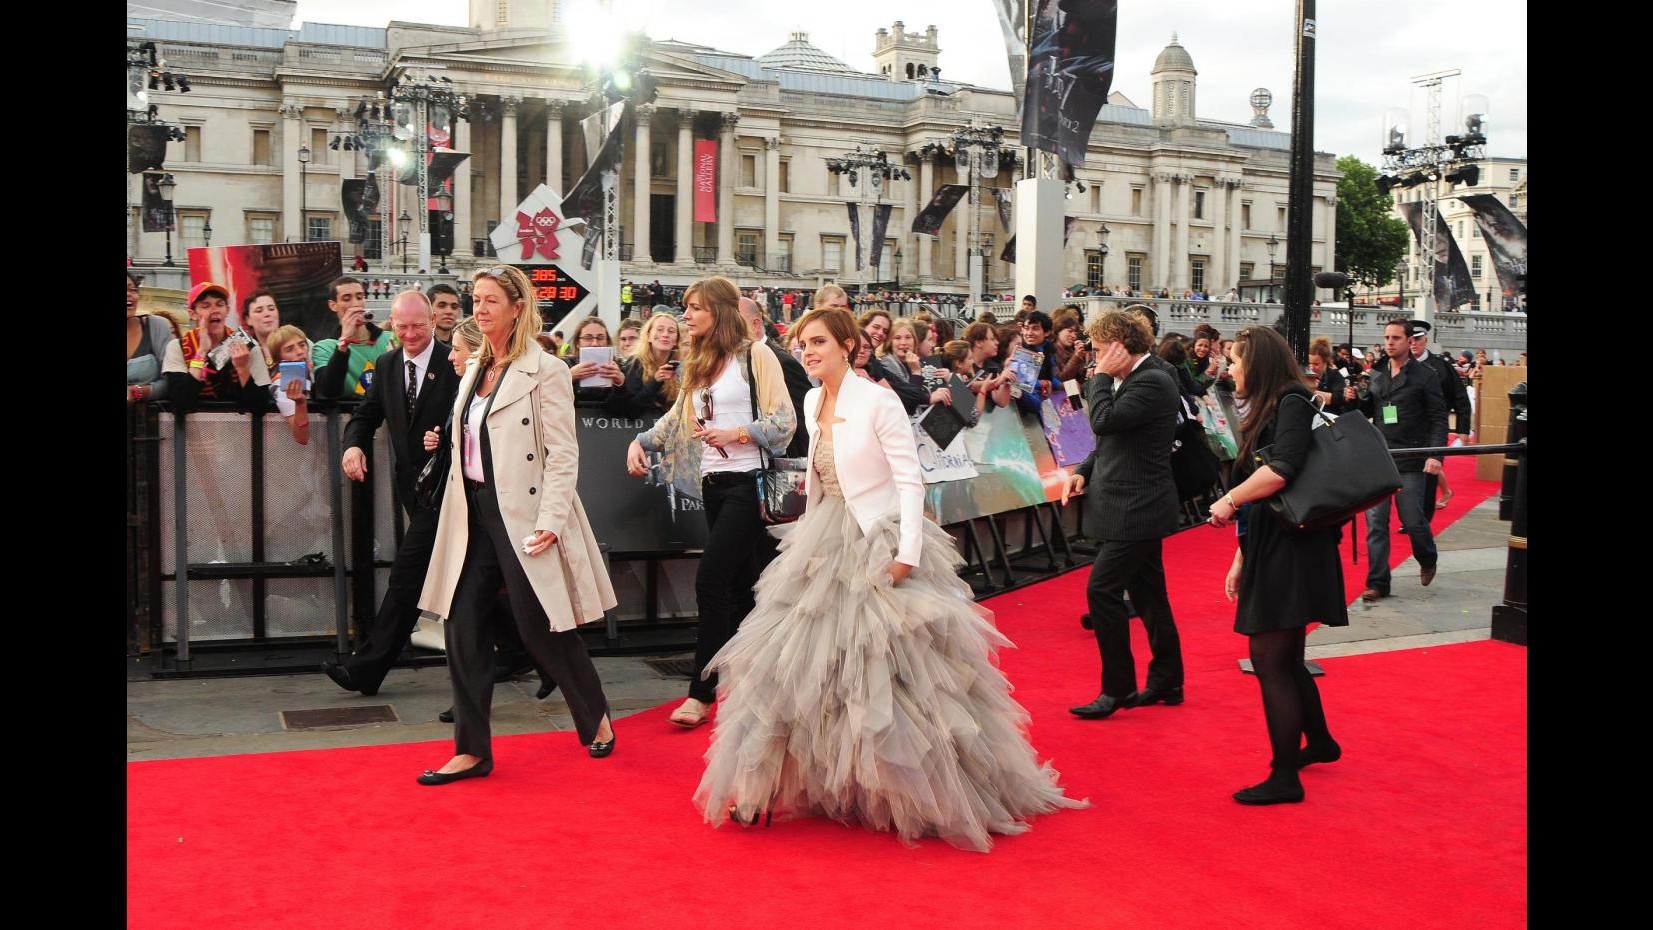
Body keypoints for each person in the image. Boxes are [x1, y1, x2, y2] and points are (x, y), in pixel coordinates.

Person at [693, 306, 1085, 850]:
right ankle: (763, 786)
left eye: (819, 343)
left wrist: (906, 552)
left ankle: (919, 791)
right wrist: (806, 541)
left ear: (849, 346)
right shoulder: (810, 400)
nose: (808, 352)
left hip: (879, 536)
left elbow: (909, 480)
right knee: (790, 664)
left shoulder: (877, 400)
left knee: (894, 673)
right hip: (821, 542)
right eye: (803, 343)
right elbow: (820, 481)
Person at [415, 265, 619, 783]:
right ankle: (471, 749)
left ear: (516, 308)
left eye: (489, 301)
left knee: (539, 625)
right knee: (462, 625)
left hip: (523, 514)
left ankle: (593, 713)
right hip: (472, 513)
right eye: (475, 300)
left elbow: (562, 454)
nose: (478, 310)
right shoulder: (473, 367)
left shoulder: (545, 369)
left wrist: (551, 518)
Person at [625, 276, 796, 729]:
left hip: (749, 483)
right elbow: (677, 418)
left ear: (719, 311)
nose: (687, 316)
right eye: (686, 308)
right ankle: (769, 676)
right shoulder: (698, 363)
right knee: (745, 588)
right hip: (712, 485)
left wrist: (737, 433)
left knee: (711, 581)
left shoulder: (755, 355)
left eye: (695, 307)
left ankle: (702, 693)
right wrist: (642, 441)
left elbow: (784, 421)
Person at [1207, 326, 1346, 805]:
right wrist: (1241, 556)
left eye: (1237, 362)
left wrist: (1227, 500)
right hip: (1284, 544)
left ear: (1259, 364)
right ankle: (1321, 743)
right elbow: (1272, 494)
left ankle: (1285, 776)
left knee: (1270, 659)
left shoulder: (1289, 402)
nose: (1230, 371)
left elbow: (1281, 470)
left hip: (1293, 550)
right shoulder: (1284, 403)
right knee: (1285, 658)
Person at [323, 290, 462, 698]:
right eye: (402, 327)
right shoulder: (386, 364)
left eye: (418, 326)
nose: (411, 334)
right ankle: (523, 650)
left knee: (407, 578)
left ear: (433, 322)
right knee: (464, 577)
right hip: (414, 490)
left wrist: (449, 439)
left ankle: (367, 670)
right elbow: (367, 413)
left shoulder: (454, 362)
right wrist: (353, 444)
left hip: (451, 489)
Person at [1060, 309, 1185, 719]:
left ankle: (1117, 688)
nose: (1095, 360)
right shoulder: (1135, 379)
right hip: (1133, 502)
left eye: (1099, 351)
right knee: (1150, 594)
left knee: (1102, 591)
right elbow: (1112, 442)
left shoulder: (1150, 380)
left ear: (1119, 346)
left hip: (1139, 506)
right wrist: (1083, 472)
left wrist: (1097, 379)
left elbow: (1103, 422)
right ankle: (1168, 678)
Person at [1344, 319, 1447, 603]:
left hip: (1412, 457)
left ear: (1408, 341)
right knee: (1376, 523)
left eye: (1396, 338)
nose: (1390, 343)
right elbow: (1367, 409)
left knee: (1413, 519)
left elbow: (1439, 417)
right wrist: (1353, 399)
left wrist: (1436, 455)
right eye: (1387, 338)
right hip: (1380, 455)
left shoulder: (1425, 375)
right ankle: (1377, 582)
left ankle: (1427, 556)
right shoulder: (1376, 373)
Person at [161, 282, 272, 412]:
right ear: (193, 314)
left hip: (240, 427)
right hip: (193, 429)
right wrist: (201, 353)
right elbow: (180, 402)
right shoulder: (178, 347)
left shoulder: (246, 345)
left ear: (227, 311)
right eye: (205, 306)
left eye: (220, 304)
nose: (214, 310)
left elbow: (261, 407)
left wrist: (242, 369)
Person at [1406, 320, 1473, 514]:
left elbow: (1460, 397)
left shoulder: (1441, 367)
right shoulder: (1400, 364)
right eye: (1410, 339)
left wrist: (1462, 428)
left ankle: (1423, 517)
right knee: (1408, 474)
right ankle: (1411, 516)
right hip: (1406, 430)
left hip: (1434, 428)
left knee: (1429, 475)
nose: (1413, 343)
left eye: (1417, 339)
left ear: (1425, 340)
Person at [738, 296, 812, 457]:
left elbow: (802, 421)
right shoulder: (740, 360)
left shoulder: (781, 361)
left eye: (736, 322)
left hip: (781, 465)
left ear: (756, 324)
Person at [312, 276, 397, 399]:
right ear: (333, 306)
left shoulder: (389, 339)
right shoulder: (324, 347)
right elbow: (328, 391)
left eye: (359, 297)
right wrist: (343, 344)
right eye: (347, 299)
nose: (356, 304)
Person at [616, 311, 683, 417]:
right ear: (648, 336)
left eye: (671, 331)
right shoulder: (635, 363)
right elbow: (630, 410)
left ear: (676, 341)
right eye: (660, 330)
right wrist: (656, 381)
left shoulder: (680, 367)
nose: (665, 334)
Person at [127, 270, 174, 406]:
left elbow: (170, 381)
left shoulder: (157, 325)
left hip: (149, 421)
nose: (129, 294)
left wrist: (136, 392)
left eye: (133, 289)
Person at [263, 325, 313, 445]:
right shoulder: (281, 386)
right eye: (290, 349)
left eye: (302, 345)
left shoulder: (312, 373)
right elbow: (302, 438)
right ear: (279, 359)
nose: (300, 351)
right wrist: (300, 404)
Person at [1307, 337, 1347, 414]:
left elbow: (1338, 399)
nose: (1312, 367)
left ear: (1325, 362)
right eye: (1309, 363)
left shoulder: (1335, 375)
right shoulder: (1303, 375)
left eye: (1316, 364)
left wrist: (1310, 392)